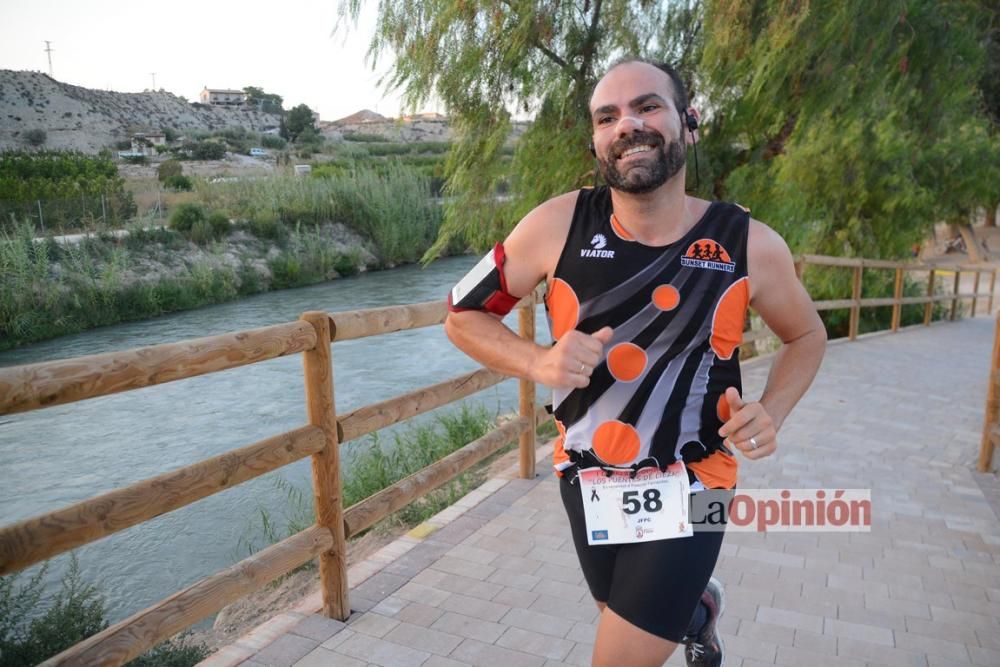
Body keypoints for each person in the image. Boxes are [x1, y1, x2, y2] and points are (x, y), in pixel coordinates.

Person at [444, 58, 826, 667]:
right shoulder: (555, 223)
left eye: (648, 107)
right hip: (587, 474)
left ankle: (683, 603)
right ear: (596, 140)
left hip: (698, 481)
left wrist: (772, 410)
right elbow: (462, 313)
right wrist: (541, 362)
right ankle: (696, 611)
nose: (628, 124)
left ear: (688, 123)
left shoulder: (748, 242)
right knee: (620, 613)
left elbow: (807, 335)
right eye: (608, 116)